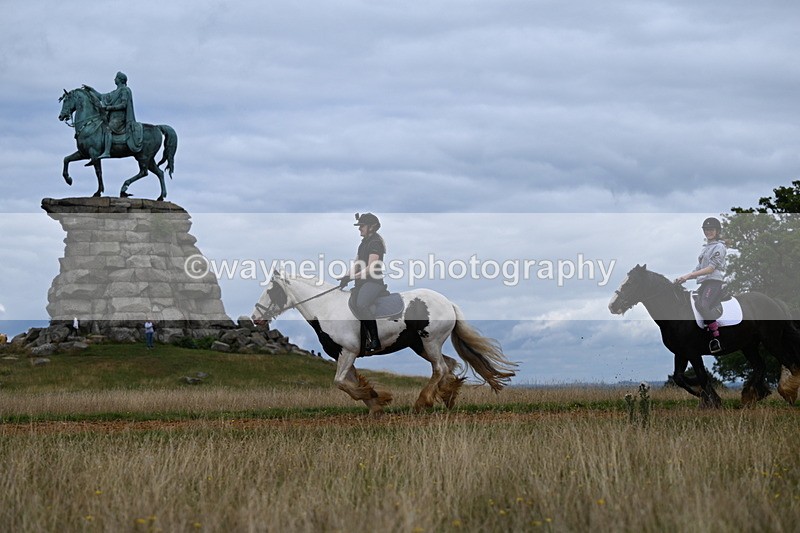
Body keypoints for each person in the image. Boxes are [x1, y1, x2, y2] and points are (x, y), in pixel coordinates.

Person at [675, 217, 727, 353]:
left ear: (717, 231)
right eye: (706, 230)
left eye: (711, 229)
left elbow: (710, 269)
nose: (709, 232)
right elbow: (698, 269)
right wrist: (683, 278)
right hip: (705, 283)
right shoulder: (705, 249)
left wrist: (689, 276)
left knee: (703, 305)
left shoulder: (719, 247)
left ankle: (716, 338)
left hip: (714, 282)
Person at [338, 213, 387, 353]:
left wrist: (352, 277)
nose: (359, 229)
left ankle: (375, 339)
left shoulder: (375, 243)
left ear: (371, 227)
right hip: (361, 284)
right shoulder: (363, 243)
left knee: (362, 304)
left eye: (361, 226)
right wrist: (345, 276)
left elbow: (370, 268)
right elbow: (357, 264)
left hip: (373, 283)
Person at [83, 71, 143, 162]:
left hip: (120, 118)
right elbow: (102, 96)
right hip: (112, 117)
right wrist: (92, 90)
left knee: (108, 129)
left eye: (116, 78)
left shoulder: (125, 90)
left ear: (120, 80)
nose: (114, 79)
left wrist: (109, 107)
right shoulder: (114, 92)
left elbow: (124, 105)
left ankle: (107, 151)